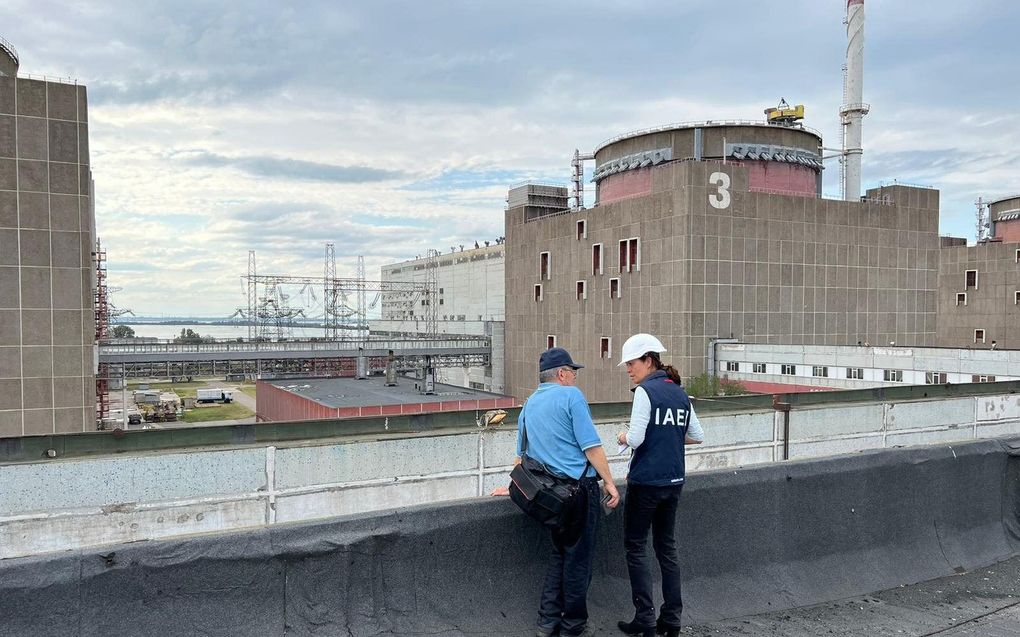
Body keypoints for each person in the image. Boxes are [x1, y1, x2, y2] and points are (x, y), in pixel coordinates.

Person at [510, 347, 620, 637]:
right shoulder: (571, 396)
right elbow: (591, 446)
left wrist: (507, 485)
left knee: (559, 554)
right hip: (579, 491)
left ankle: (546, 622)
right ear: (561, 374)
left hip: (548, 496)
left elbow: (521, 455)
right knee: (578, 560)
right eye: (573, 372)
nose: (574, 377)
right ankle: (573, 626)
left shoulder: (529, 403)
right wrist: (609, 481)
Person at [614, 334, 704, 637]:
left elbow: (636, 438)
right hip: (674, 480)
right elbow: (697, 435)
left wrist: (622, 437)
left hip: (646, 482)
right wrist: (668, 438)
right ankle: (672, 619)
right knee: (666, 548)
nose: (628, 369)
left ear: (648, 361)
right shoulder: (679, 392)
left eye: (631, 363)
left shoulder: (645, 392)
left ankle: (645, 618)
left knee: (636, 547)